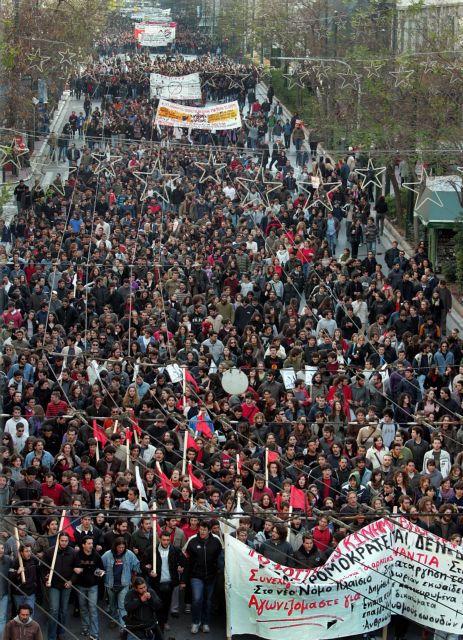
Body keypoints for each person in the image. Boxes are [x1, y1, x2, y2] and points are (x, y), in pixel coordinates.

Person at [183, 520, 223, 634]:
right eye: (200, 529)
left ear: (209, 530)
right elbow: (185, 555)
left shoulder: (216, 541)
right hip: (196, 576)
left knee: (207, 601)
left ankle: (205, 622)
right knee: (196, 599)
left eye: (205, 530)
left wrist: (218, 569)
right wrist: (184, 577)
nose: (202, 532)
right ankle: (195, 622)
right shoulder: (192, 540)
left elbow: (221, 557)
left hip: (211, 576)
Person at [147, 530, 185, 632]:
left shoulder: (175, 550)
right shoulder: (152, 550)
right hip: (156, 582)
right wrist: (149, 571)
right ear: (159, 539)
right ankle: (159, 623)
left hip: (169, 582)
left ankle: (163, 621)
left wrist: (180, 568)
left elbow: (183, 562)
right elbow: (143, 564)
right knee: (157, 604)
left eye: (168, 540)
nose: (166, 542)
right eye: (164, 540)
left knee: (166, 603)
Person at [43, 533, 77, 640]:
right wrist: (46, 576)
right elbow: (43, 568)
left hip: (67, 585)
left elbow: (77, 569)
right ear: (58, 540)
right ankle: (52, 636)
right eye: (62, 540)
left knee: (64, 610)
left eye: (66, 541)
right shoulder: (50, 552)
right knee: (54, 610)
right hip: (54, 585)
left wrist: (71, 581)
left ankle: (60, 632)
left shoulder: (73, 552)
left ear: (68, 541)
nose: (64, 543)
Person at [102, 537, 140, 627]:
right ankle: (113, 619)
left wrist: (133, 579)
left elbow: (136, 565)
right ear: (115, 546)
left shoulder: (129, 554)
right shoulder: (107, 555)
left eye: (123, 547)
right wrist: (101, 573)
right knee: (112, 605)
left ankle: (123, 628)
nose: (121, 549)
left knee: (122, 606)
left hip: (124, 584)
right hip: (110, 584)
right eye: (119, 547)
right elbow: (100, 565)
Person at [74, 535, 105, 640]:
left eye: (92, 543)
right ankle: (85, 628)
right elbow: (72, 567)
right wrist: (75, 569)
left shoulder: (96, 555)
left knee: (93, 609)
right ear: (83, 545)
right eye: (89, 543)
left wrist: (99, 573)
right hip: (80, 586)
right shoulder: (77, 555)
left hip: (93, 586)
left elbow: (102, 569)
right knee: (83, 608)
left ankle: (95, 633)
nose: (91, 545)